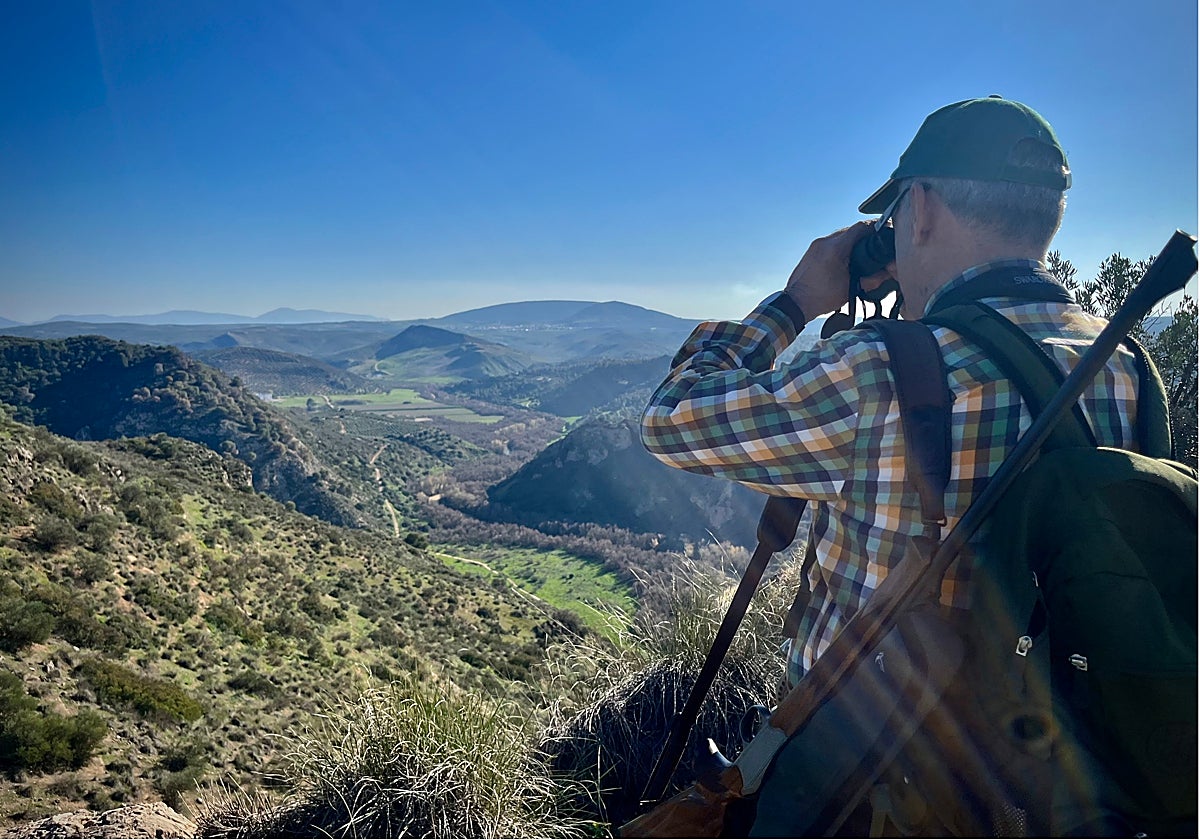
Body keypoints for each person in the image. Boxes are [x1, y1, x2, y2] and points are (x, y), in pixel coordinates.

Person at [639, 96, 1141, 688]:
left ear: (921, 209)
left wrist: (794, 303)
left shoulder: (878, 374)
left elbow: (671, 419)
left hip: (864, 761)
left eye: (897, 216)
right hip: (1049, 753)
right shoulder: (1126, 368)